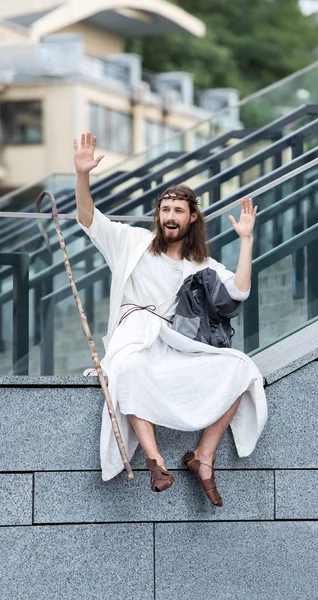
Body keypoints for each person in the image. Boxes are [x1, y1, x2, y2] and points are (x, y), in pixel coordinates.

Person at [74, 132, 268, 507]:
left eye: (178, 211)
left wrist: (246, 241)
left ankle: (203, 457)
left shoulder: (201, 264)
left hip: (172, 341)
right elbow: (88, 218)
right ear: (157, 216)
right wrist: (82, 176)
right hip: (133, 335)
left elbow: (239, 291)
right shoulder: (132, 243)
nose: (170, 217)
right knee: (127, 369)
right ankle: (155, 461)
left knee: (242, 368)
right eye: (165, 210)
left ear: (192, 217)